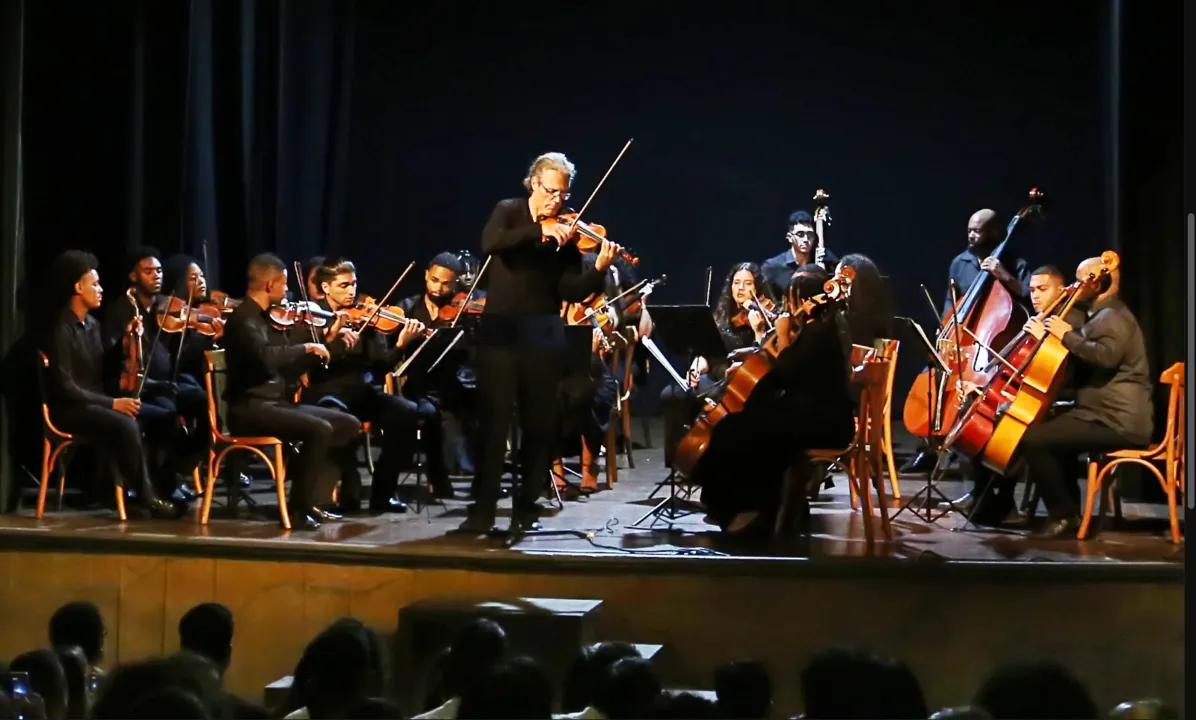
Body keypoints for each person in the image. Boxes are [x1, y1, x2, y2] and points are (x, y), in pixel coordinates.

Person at [460, 152, 622, 534]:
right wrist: (539, 231)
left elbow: (570, 289)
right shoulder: (509, 211)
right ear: (534, 183)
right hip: (501, 329)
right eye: (552, 192)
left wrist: (597, 269)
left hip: (544, 332)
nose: (558, 202)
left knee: (538, 424)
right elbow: (491, 242)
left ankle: (527, 507)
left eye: (564, 195)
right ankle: (482, 510)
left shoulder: (567, 238)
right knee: (494, 422)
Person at [693, 266, 857, 535]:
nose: (786, 306)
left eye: (791, 299)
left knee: (738, 430)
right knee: (736, 426)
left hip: (824, 422)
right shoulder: (814, 329)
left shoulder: (819, 333)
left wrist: (780, 336)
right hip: (809, 414)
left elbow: (787, 373)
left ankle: (755, 511)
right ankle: (751, 508)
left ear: (804, 300)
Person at [220, 253, 362, 530]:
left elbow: (287, 366)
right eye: (284, 285)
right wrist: (306, 347)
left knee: (347, 424)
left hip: (276, 403)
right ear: (270, 284)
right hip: (249, 408)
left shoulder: (270, 319)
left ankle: (311, 498)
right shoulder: (243, 320)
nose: (287, 291)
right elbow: (267, 358)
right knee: (319, 429)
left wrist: (332, 347)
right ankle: (298, 508)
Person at [1017, 255, 1153, 539]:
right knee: (1050, 432)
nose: (1076, 286)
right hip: (1100, 414)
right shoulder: (1100, 314)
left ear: (1100, 282)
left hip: (1118, 421)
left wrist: (1065, 335)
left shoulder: (1113, 316)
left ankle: (1063, 515)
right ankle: (1070, 513)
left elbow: (1105, 357)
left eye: (1082, 280)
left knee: (1034, 440)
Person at [42, 251, 179, 519]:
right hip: (72, 408)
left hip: (97, 401)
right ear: (78, 288)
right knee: (125, 421)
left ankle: (157, 483)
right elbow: (65, 385)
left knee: (162, 410)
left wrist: (127, 338)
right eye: (94, 285)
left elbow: (105, 363)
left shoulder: (92, 324)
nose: (100, 290)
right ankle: (146, 495)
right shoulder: (61, 329)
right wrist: (113, 403)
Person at [950, 263, 1086, 523]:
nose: (1035, 295)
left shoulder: (1071, 319)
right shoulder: (1041, 319)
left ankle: (995, 501)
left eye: (1043, 289)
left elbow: (1065, 366)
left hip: (1060, 398)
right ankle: (987, 496)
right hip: (1035, 395)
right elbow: (1020, 370)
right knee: (979, 410)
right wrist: (984, 389)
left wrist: (1045, 338)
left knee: (1000, 423)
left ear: (1061, 289)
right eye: (1032, 289)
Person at [903, 207, 1033, 473]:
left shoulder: (1014, 263)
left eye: (978, 231)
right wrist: (945, 328)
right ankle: (929, 447)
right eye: (970, 231)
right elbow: (952, 300)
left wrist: (1003, 276)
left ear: (995, 232)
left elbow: (1031, 299)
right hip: (960, 340)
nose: (972, 236)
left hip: (988, 348)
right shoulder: (960, 262)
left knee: (976, 392)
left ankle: (968, 450)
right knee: (932, 377)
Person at [308, 257, 437, 511]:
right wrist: (334, 339)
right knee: (338, 419)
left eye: (353, 284)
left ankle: (383, 493)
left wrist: (401, 343)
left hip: (361, 393)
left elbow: (382, 365)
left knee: (407, 412)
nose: (351, 291)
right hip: (328, 392)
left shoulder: (367, 317)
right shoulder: (314, 317)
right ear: (325, 288)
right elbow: (313, 364)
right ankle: (348, 489)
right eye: (344, 285)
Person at [101, 247, 208, 502]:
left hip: (160, 382)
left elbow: (170, 358)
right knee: (172, 407)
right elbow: (113, 357)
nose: (156, 276)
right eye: (148, 271)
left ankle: (177, 467)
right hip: (135, 386)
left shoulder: (164, 308)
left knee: (205, 403)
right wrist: (128, 336)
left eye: (159, 271)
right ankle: (162, 483)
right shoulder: (122, 310)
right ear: (133, 276)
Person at [658, 262, 774, 473]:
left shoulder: (764, 317)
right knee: (672, 394)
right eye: (737, 283)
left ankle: (707, 461)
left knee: (710, 398)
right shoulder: (722, 315)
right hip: (716, 376)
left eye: (748, 283)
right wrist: (696, 367)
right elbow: (709, 354)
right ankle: (679, 461)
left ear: (758, 288)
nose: (741, 288)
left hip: (744, 383)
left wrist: (759, 332)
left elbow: (764, 359)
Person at [398, 252, 477, 488]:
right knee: (430, 414)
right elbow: (391, 352)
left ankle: (482, 479)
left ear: (455, 283)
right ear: (426, 276)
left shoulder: (465, 310)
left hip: (456, 382)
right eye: (434, 280)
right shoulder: (408, 308)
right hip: (418, 385)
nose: (438, 288)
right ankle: (438, 477)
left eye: (445, 283)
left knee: (486, 406)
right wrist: (405, 339)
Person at [761, 209, 839, 298]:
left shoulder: (826, 260)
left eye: (810, 234)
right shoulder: (772, 267)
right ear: (789, 237)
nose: (806, 239)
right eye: (800, 234)